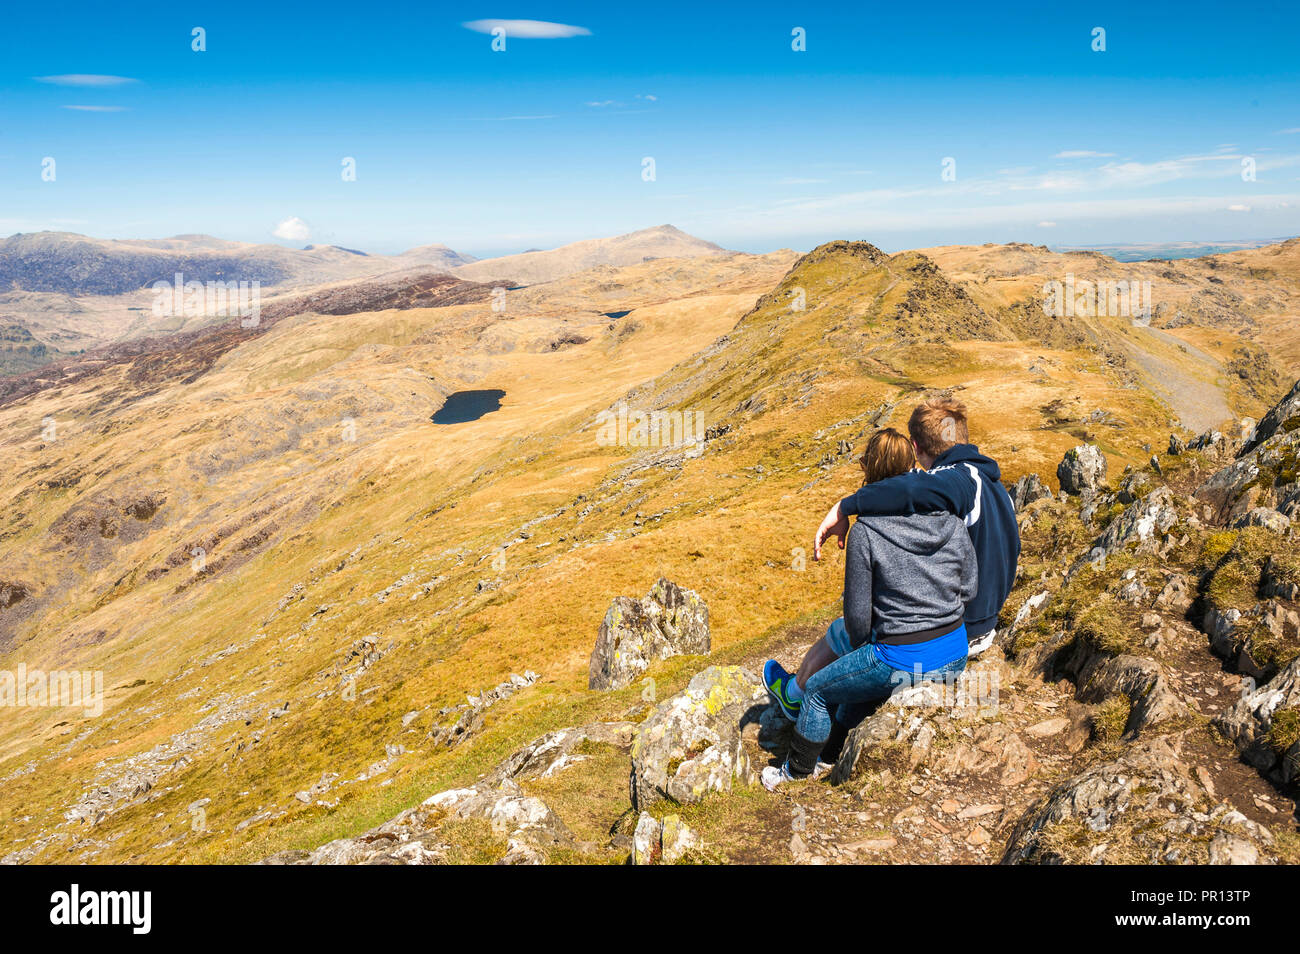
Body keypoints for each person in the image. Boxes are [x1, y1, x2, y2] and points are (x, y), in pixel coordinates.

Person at [761, 427, 977, 789]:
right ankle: (831, 754)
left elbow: (859, 623)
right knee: (853, 692)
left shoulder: (867, 531)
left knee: (817, 690)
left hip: (900, 658)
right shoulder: (950, 517)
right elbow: (969, 587)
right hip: (955, 652)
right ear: (912, 461)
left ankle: (794, 773)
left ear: (870, 473)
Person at [813, 397, 1018, 659]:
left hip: (957, 630)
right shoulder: (994, 485)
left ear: (915, 446)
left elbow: (909, 488)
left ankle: (798, 692)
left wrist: (845, 506)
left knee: (840, 632)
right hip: (984, 622)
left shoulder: (957, 480)